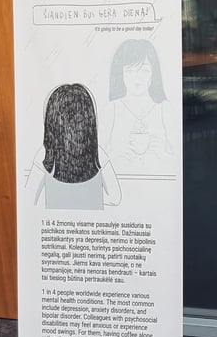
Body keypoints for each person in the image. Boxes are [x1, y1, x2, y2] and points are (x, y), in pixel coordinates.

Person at [27, 83, 121, 209]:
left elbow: (29, 197)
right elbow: (115, 197)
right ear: (89, 120)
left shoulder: (45, 154)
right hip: (92, 220)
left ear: (52, 121)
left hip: (56, 221)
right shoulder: (98, 153)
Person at [103, 39, 173, 173]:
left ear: (154, 73)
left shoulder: (164, 108)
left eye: (144, 71)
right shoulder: (111, 109)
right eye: (129, 71)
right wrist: (114, 158)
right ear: (120, 74)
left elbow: (178, 160)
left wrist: (163, 156)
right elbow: (96, 160)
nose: (137, 78)